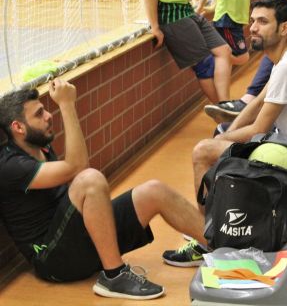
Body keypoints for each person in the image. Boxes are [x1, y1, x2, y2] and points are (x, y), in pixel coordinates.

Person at [162, 0, 287, 266]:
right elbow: (256, 103)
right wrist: (225, 134)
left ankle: (206, 239)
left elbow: (259, 128)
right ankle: (211, 227)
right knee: (218, 140)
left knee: (202, 152)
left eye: (263, 22)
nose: (253, 28)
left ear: (284, 28)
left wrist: (220, 142)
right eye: (253, 21)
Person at [0, 79, 207, 300]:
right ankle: (114, 276)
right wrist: (67, 104)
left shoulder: (39, 145)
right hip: (53, 260)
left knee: (154, 191)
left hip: (76, 239)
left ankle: (221, 247)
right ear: (18, 127)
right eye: (39, 114)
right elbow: (78, 168)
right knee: (90, 180)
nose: (49, 116)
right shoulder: (10, 165)